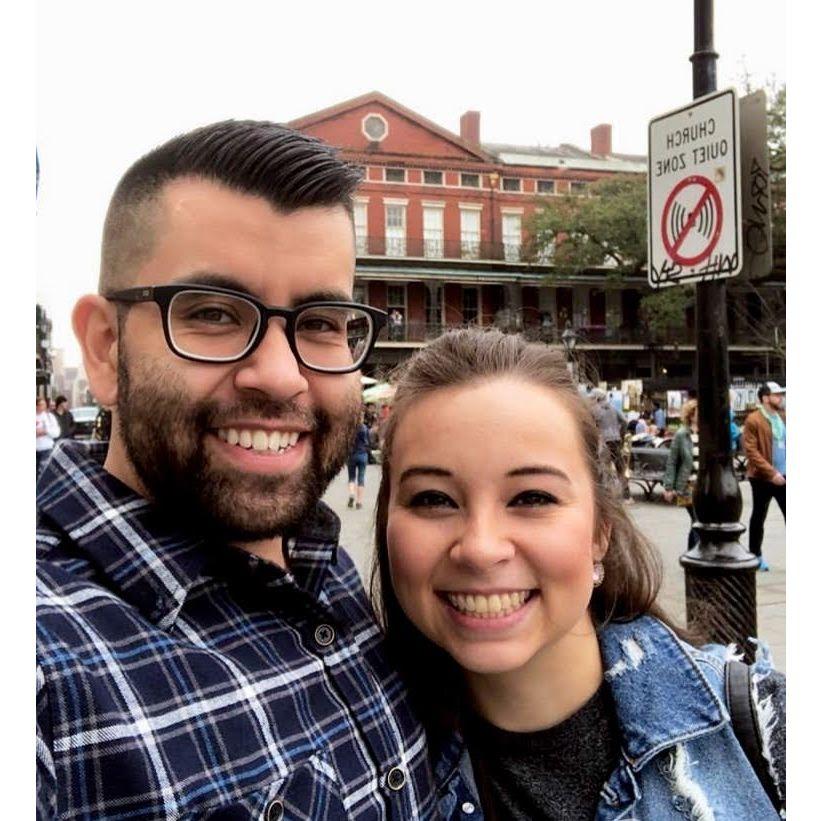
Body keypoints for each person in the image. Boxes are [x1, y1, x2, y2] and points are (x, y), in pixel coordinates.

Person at [36, 120, 437, 820]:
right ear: (103, 349)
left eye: (319, 321)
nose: (281, 377)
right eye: (215, 313)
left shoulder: (331, 570)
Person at [372, 328, 785, 820]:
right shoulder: (350, 770)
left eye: (532, 498)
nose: (481, 549)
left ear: (600, 532)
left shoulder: (769, 730)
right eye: (433, 499)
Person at [743, 382, 787, 572]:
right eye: (777, 395)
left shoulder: (782, 417)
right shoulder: (754, 420)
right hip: (762, 477)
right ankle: (755, 555)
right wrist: (771, 473)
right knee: (759, 516)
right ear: (765, 398)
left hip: (784, 475)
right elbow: (751, 452)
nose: (781, 398)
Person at [662, 400, 699, 551]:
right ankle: (696, 556)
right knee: (698, 520)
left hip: (703, 484)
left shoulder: (707, 433)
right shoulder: (681, 435)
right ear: (691, 415)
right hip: (687, 484)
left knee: (696, 521)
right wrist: (668, 486)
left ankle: (691, 555)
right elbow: (672, 461)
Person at [590, 388, 630, 501]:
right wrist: (621, 434)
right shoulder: (613, 408)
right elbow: (624, 421)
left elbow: (589, 423)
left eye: (593, 398)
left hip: (604, 442)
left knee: (605, 467)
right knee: (620, 468)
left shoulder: (595, 409)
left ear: (597, 398)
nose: (591, 400)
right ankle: (626, 494)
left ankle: (607, 495)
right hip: (616, 440)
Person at [347, 410, 371, 509]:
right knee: (361, 478)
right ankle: (359, 502)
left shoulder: (350, 429)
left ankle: (352, 494)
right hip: (363, 455)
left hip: (352, 455)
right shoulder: (365, 429)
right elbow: (368, 442)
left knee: (351, 477)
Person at [35, 397, 60, 476]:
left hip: (47, 448)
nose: (44, 407)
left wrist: (45, 431)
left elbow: (57, 433)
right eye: (41, 405)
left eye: (44, 404)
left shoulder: (50, 417)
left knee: (44, 473)